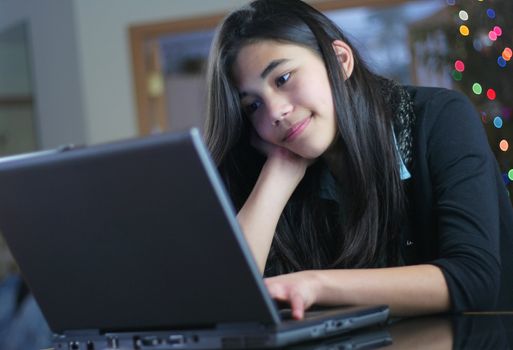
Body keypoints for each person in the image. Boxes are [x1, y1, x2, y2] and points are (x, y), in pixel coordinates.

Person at [204, 0, 513, 320]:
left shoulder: (439, 117)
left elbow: (472, 279)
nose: (275, 112)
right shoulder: (275, 161)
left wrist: (314, 285)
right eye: (253, 106)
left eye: (283, 79)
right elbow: (226, 303)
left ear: (340, 61)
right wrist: (278, 175)